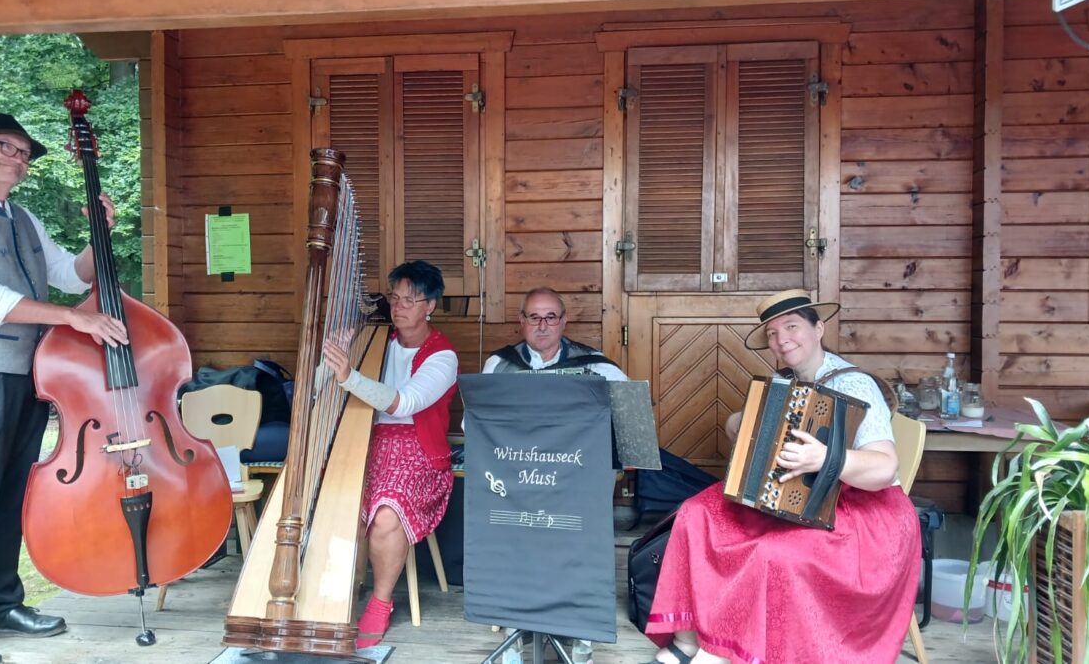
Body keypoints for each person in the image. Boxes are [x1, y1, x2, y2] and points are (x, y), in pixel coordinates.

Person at [0, 113, 129, 664]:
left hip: (30, 376)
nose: (17, 158)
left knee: (10, 494)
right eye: (6, 147)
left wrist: (100, 235)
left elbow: (71, 273)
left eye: (24, 152)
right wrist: (73, 318)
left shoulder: (25, 219)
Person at [642, 289, 920, 664]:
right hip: (801, 496)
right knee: (695, 513)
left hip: (865, 513)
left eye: (791, 326)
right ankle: (689, 639)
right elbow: (748, 429)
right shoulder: (784, 380)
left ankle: (727, 647)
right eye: (772, 333)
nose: (781, 339)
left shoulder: (854, 385)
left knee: (771, 551)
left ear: (818, 329)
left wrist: (826, 458)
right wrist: (738, 422)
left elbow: (885, 468)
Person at [483, 286, 626, 664]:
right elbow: (475, 425)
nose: (542, 325)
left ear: (563, 322)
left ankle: (581, 636)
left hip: (574, 483)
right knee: (506, 533)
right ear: (522, 321)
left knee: (583, 537)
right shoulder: (500, 365)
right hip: (518, 480)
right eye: (534, 317)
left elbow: (628, 425)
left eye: (550, 317)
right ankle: (514, 633)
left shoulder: (598, 368)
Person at [321, 260, 459, 649]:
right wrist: (334, 358)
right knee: (332, 502)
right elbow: (316, 388)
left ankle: (381, 602)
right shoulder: (374, 341)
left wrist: (349, 376)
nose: (398, 307)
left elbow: (404, 403)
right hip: (367, 443)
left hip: (420, 454)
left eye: (409, 300)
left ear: (430, 305)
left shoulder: (442, 355)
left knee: (385, 512)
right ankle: (329, 593)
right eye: (394, 298)